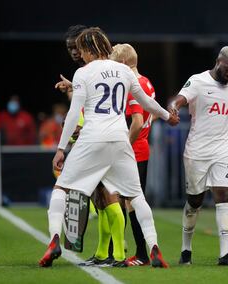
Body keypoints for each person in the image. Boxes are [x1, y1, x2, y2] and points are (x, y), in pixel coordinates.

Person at [39, 27, 178, 268]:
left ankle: (53, 240)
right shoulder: (124, 70)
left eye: (81, 50)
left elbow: (74, 113)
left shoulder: (83, 72)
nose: (80, 54)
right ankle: (154, 247)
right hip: (120, 139)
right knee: (136, 196)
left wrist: (61, 148)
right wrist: (168, 116)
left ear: (88, 50)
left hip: (92, 137)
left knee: (61, 188)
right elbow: (146, 102)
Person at [55, 25, 126, 267]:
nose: (74, 52)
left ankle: (119, 253)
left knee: (111, 196)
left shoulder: (97, 69)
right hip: (95, 138)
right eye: (69, 49)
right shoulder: (84, 72)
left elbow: (102, 107)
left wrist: (67, 142)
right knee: (100, 199)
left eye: (77, 47)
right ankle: (104, 252)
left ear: (88, 47)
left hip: (101, 140)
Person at [169, 46, 228, 266]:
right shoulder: (198, 81)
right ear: (218, 61)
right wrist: (173, 109)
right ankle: (186, 248)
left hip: (222, 150)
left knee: (224, 198)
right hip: (197, 151)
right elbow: (179, 99)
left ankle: (224, 254)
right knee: (195, 200)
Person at [109, 43, 156, 266]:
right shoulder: (147, 82)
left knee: (123, 202)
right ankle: (137, 252)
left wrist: (124, 146)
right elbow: (152, 114)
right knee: (128, 202)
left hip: (132, 150)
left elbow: (136, 122)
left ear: (123, 64)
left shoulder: (132, 85)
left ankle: (136, 253)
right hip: (141, 147)